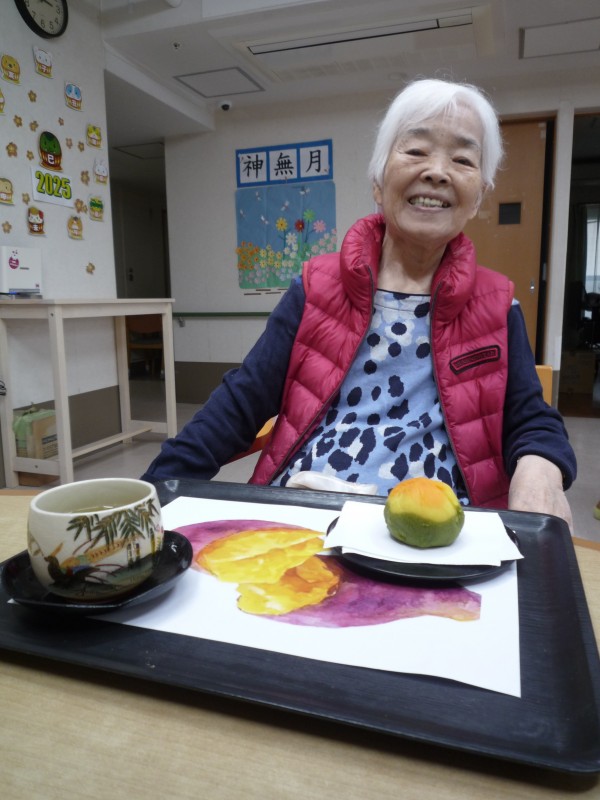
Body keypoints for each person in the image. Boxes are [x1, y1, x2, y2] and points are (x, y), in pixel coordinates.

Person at [142, 78, 576, 529]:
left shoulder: (498, 304)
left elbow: (532, 418)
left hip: (435, 523)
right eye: (416, 150)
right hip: (307, 508)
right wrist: (153, 495)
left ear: (478, 196)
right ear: (378, 181)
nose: (437, 171)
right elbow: (241, 401)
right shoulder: (315, 287)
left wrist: (541, 465)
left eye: (463, 159)